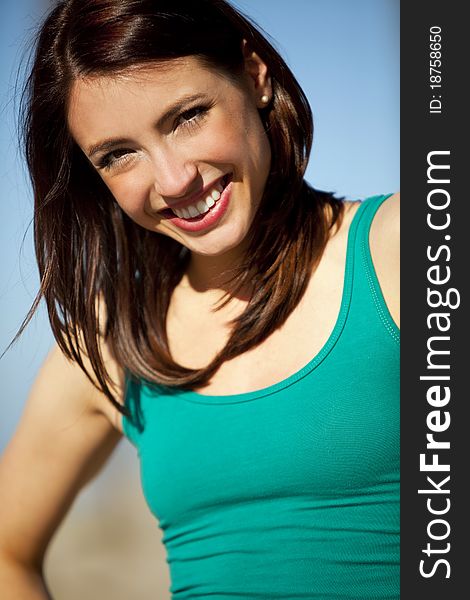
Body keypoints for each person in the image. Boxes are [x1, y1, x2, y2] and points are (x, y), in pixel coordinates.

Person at [0, 0, 400, 598]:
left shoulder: (403, 249)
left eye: (186, 116)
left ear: (255, 74)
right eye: (118, 154)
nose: (172, 180)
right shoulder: (115, 343)